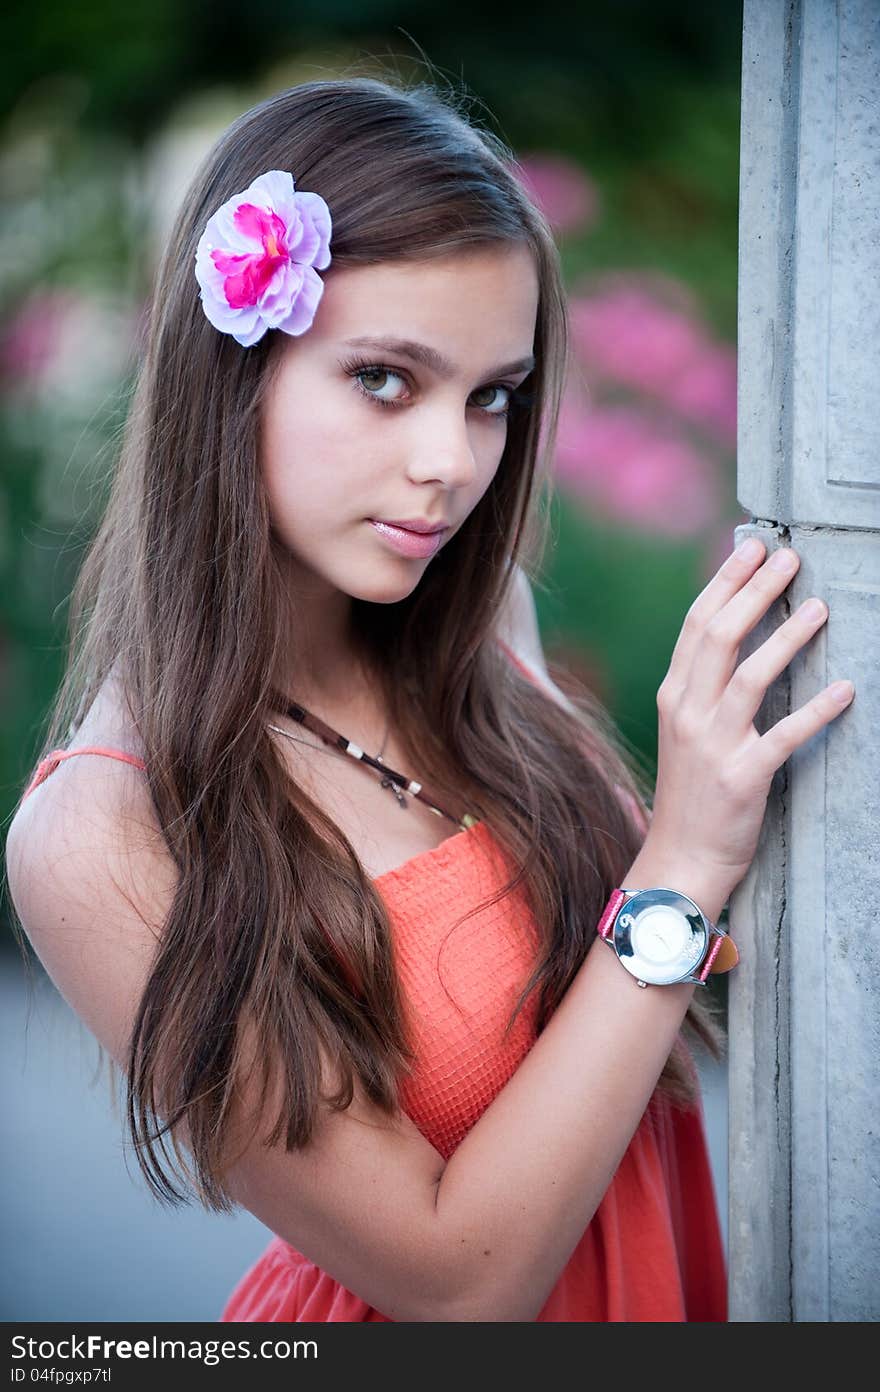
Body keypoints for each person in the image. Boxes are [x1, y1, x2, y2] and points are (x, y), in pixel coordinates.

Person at [4, 74, 855, 1325]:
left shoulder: (477, 625)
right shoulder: (103, 836)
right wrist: (677, 863)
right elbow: (457, 1286)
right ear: (231, 375)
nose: (451, 463)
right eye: (387, 380)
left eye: (491, 395)